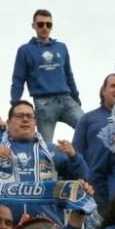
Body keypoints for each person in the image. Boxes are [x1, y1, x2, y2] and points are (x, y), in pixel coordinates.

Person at [0, 100, 87, 186]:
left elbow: (83, 179)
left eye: (30, 116)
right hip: (4, 220)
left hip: (46, 220)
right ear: (8, 123)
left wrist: (74, 156)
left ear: (35, 123)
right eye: (19, 116)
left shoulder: (53, 151)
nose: (25, 119)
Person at [10, 9, 82, 144]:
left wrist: (76, 99)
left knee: (89, 127)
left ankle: (80, 159)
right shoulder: (25, 50)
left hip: (66, 99)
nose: (44, 28)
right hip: (44, 103)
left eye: (48, 25)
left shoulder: (61, 47)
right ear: (33, 26)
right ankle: (47, 164)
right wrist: (15, 104)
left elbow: (68, 75)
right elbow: (18, 80)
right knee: (45, 145)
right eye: (41, 24)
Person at [72, 74, 115, 208]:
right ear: (103, 91)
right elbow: (77, 152)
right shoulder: (87, 119)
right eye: (113, 86)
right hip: (94, 186)